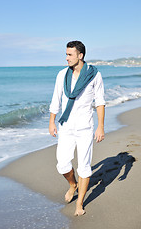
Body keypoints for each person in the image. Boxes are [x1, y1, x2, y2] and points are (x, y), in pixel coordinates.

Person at [49, 40, 105, 216]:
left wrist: (100, 127)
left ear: (80, 56)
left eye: (69, 55)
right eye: (66, 54)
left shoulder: (94, 75)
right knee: (63, 164)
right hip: (65, 126)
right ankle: (73, 184)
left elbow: (100, 102)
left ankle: (79, 204)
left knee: (84, 167)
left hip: (84, 128)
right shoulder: (61, 75)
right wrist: (52, 121)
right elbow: (56, 99)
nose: (66, 58)